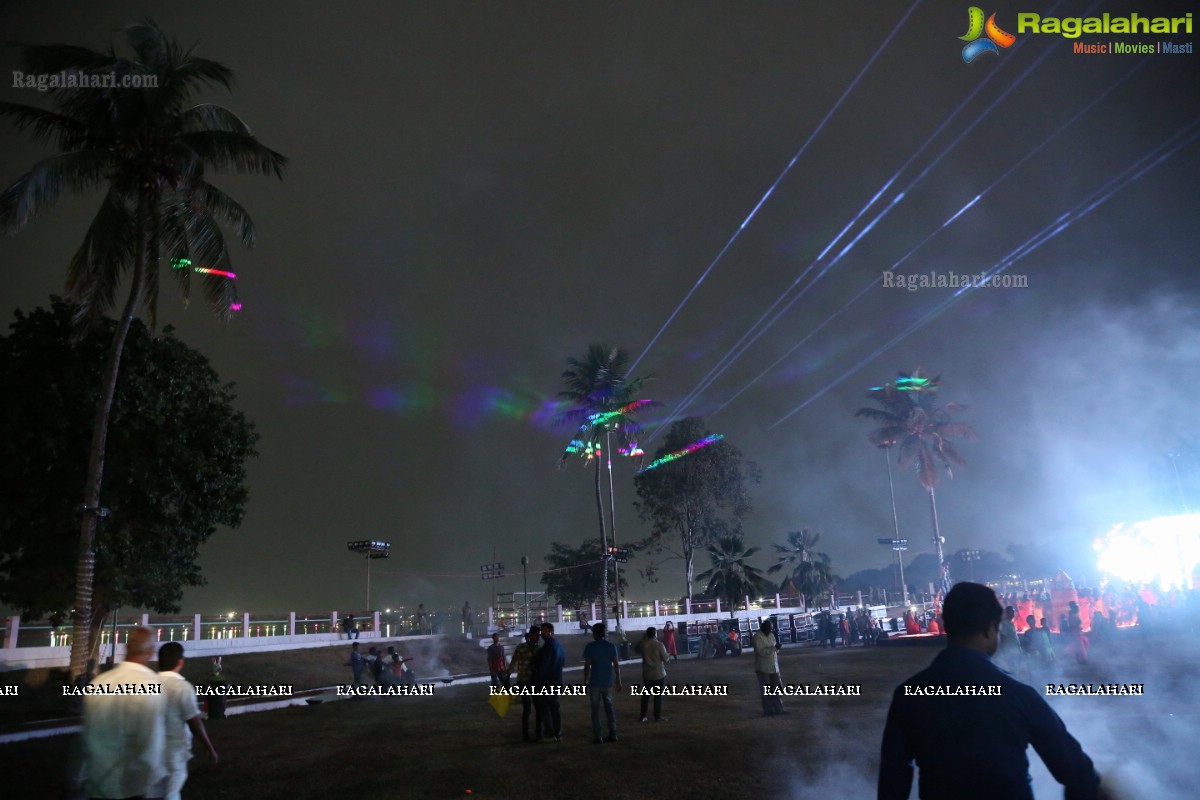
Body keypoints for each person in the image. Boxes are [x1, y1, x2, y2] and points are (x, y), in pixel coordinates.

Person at [878, 582, 1108, 800]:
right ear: (990, 628)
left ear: (947, 626)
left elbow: (893, 775)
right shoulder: (1018, 695)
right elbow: (1079, 773)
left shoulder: (908, 695)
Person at [80, 626, 166, 799]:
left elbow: (87, 733)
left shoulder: (99, 683)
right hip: (129, 785)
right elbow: (151, 741)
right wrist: (156, 781)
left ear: (127, 648)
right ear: (150, 651)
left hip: (97, 782)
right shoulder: (150, 684)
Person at [155, 642, 218, 800]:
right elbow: (194, 722)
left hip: (149, 751)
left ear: (158, 662)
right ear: (180, 662)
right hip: (174, 753)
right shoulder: (182, 688)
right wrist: (210, 749)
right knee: (171, 794)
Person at [582, 622, 622, 743]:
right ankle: (613, 733)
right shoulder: (610, 646)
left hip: (595, 682)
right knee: (609, 708)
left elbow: (587, 665)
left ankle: (598, 736)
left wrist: (585, 680)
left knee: (595, 710)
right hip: (608, 682)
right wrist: (619, 681)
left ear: (595, 633)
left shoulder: (590, 647)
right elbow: (616, 665)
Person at [532, 622, 565, 741]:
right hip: (557, 682)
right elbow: (563, 663)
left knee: (544, 708)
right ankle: (558, 733)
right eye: (541, 631)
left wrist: (536, 682)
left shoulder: (546, 648)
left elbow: (542, 667)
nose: (541, 633)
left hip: (546, 683)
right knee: (555, 709)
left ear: (550, 632)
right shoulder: (558, 645)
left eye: (544, 631)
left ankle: (549, 733)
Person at [507, 626, 541, 742]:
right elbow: (514, 661)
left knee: (538, 708)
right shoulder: (521, 647)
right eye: (536, 635)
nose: (537, 637)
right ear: (530, 635)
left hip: (535, 682)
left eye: (538, 635)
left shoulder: (539, 649)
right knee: (527, 708)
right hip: (523, 681)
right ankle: (525, 734)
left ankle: (538, 733)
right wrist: (508, 673)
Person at [633, 626, 669, 723]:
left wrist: (642, 639)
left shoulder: (643, 645)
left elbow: (636, 649)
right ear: (655, 634)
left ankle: (643, 716)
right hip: (658, 674)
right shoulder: (660, 645)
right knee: (658, 696)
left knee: (646, 696)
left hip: (647, 674)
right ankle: (657, 716)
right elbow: (666, 659)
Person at [751, 619, 785, 716]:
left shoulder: (771, 635)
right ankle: (769, 711)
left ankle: (778, 709)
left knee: (777, 690)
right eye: (769, 628)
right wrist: (775, 648)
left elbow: (774, 650)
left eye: (771, 628)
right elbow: (761, 652)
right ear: (763, 627)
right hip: (763, 668)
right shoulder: (757, 637)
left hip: (774, 666)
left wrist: (776, 648)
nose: (771, 630)